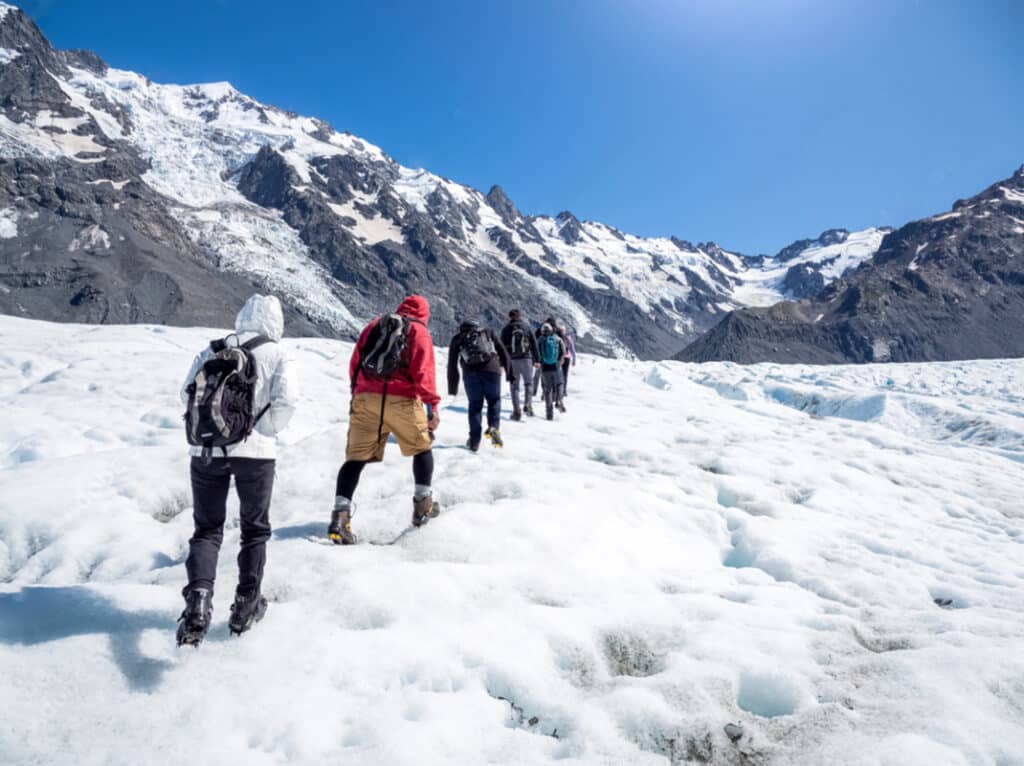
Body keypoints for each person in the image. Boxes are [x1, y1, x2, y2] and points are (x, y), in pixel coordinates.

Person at [177, 294, 296, 646]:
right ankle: (245, 606)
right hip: (255, 454)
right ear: (276, 323)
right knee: (254, 530)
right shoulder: (277, 353)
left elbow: (186, 395)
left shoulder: (211, 349)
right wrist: (264, 431)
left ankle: (197, 602)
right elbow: (287, 401)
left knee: (207, 530)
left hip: (205, 451)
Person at [328, 295, 442, 545]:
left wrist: (357, 393)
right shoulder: (419, 332)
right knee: (422, 448)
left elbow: (355, 363)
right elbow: (424, 373)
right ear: (425, 314)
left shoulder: (374, 325)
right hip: (402, 400)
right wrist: (432, 406)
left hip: (366, 399)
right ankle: (422, 507)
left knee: (355, 459)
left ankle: (340, 517)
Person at [448, 319, 510, 451]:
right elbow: (502, 350)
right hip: (492, 371)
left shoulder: (458, 338)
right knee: (494, 400)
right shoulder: (487, 332)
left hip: (470, 374)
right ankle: (493, 427)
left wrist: (452, 387)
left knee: (475, 406)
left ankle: (474, 442)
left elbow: (452, 364)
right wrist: (510, 372)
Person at [500, 309, 540, 420]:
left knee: (514, 387)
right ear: (519, 316)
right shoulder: (526, 327)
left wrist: (501, 364)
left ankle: (516, 412)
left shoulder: (506, 329)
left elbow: (501, 348)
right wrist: (537, 360)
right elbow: (534, 344)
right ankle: (528, 405)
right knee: (528, 384)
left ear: (509, 317)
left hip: (512, 361)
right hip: (527, 359)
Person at [537, 322, 567, 420]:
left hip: (545, 368)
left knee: (547, 390)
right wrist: (560, 361)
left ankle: (549, 414)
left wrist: (539, 362)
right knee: (560, 384)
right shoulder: (558, 339)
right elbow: (564, 352)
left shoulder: (540, 340)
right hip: (556, 367)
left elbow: (536, 353)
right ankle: (559, 400)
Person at [556, 321, 577, 400]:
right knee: (565, 374)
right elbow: (572, 349)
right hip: (567, 357)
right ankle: (564, 391)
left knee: (557, 374)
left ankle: (557, 390)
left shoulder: (555, 337)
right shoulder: (568, 338)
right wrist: (574, 359)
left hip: (558, 358)